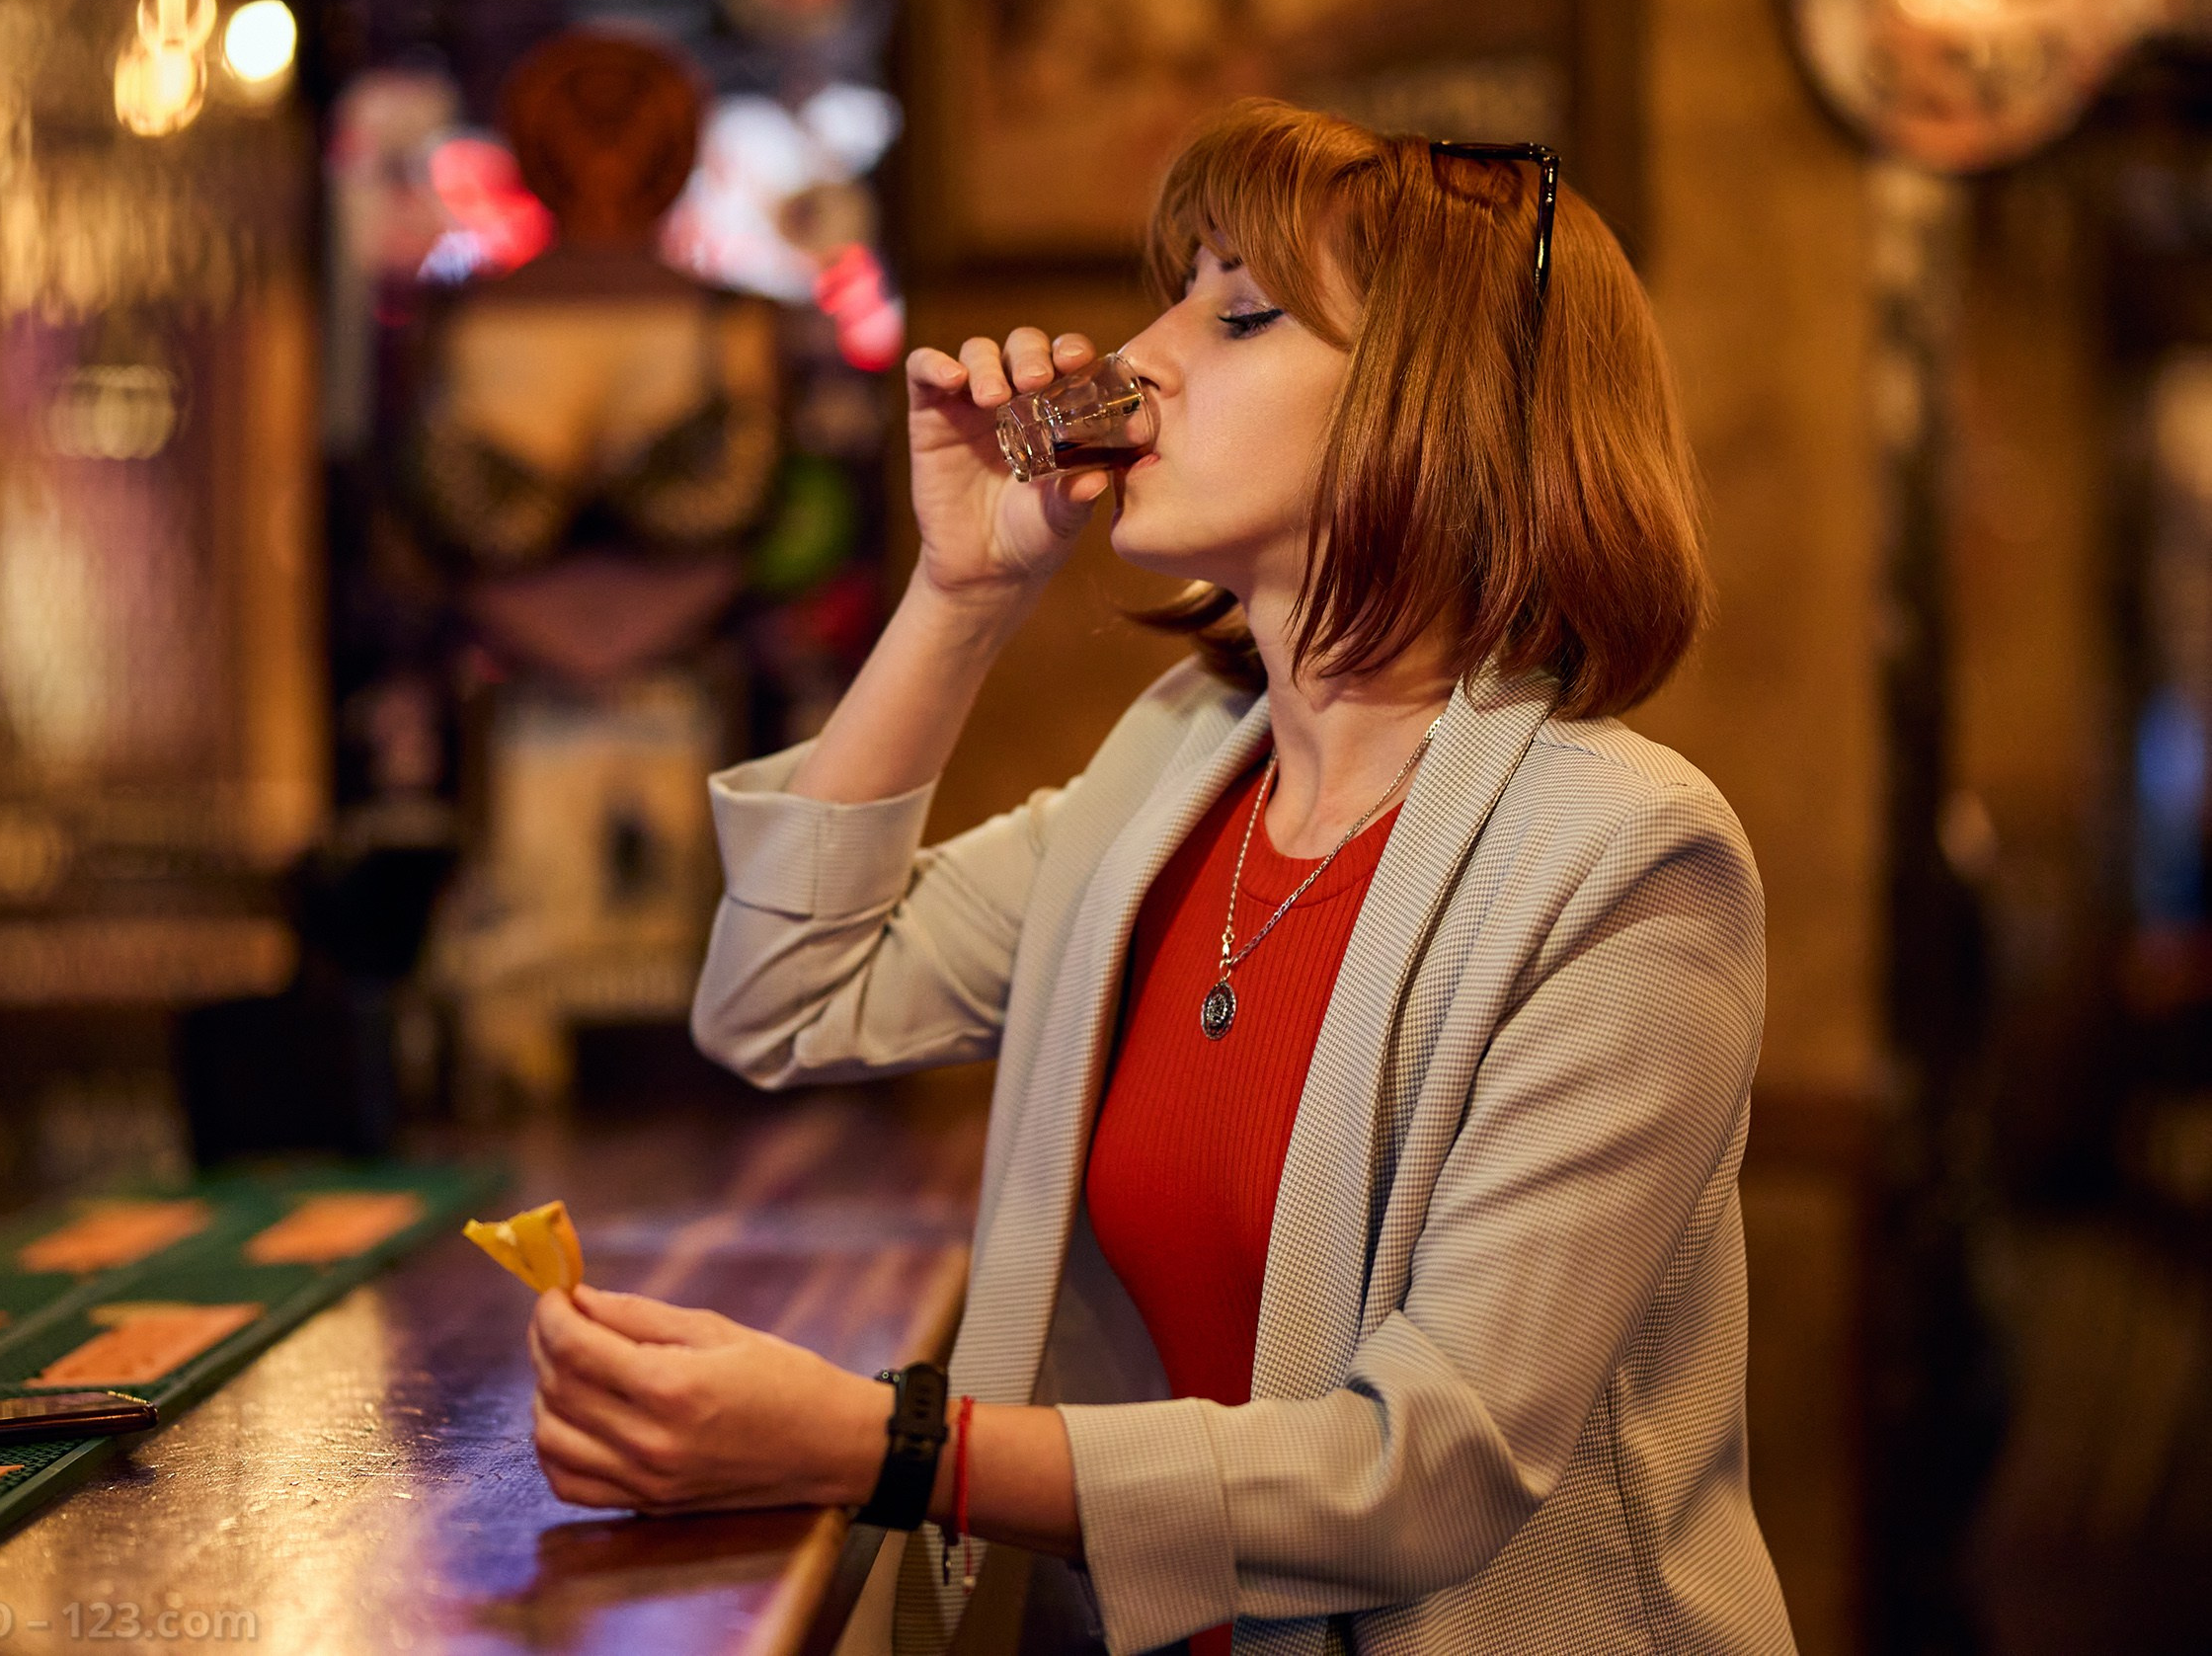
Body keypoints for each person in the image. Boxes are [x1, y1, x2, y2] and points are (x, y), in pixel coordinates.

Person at [526, 99, 1797, 1656]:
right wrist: (956, 594)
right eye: (1175, 293)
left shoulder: (1622, 858)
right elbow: (782, 999)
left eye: (1240, 311)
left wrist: (891, 1451)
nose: (1138, 358)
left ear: (1438, 404)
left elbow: (1428, 1467)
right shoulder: (1176, 773)